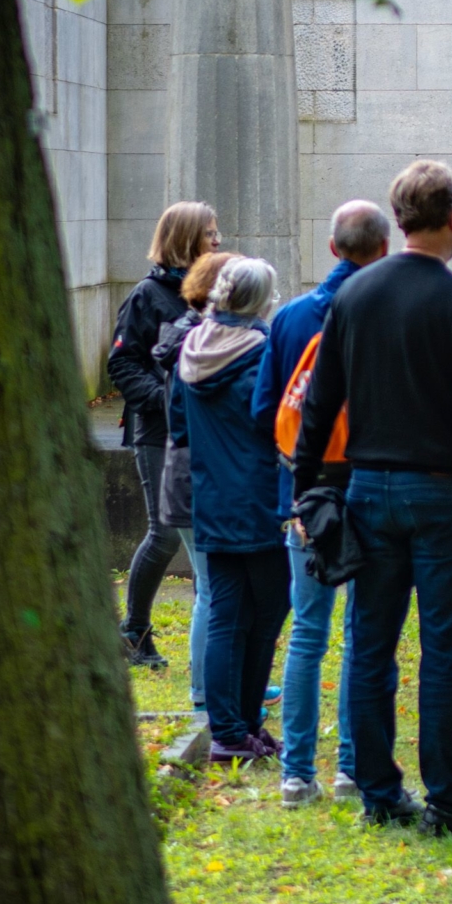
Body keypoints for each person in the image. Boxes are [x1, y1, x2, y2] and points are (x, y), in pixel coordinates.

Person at [293, 159, 452, 841]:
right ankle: (447, 800)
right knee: (444, 652)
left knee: (369, 645)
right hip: (443, 492)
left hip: (368, 486)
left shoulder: (353, 297)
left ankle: (380, 793)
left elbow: (319, 404)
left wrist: (308, 491)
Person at [252, 200, 390, 807]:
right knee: (363, 634)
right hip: (370, 491)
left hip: (306, 497)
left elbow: (265, 413)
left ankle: (296, 773)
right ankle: (351, 768)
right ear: (382, 249)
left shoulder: (290, 318)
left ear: (333, 248)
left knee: (308, 632)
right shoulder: (387, 313)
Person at [170, 256, 287, 766]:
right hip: (258, 499)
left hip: (212, 498)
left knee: (225, 614)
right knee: (267, 613)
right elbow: (276, 425)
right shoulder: (262, 354)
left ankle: (229, 730)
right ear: (262, 302)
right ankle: (242, 723)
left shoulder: (190, 350)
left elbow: (178, 426)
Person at [108, 200, 219, 667]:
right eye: (210, 233)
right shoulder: (146, 296)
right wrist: (167, 398)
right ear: (186, 239)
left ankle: (207, 622)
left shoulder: (210, 293)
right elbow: (122, 364)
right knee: (165, 532)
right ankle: (132, 631)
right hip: (157, 432)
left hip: (204, 433)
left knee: (198, 531)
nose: (217, 240)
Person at [154, 246, 234, 725]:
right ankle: (204, 690)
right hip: (196, 479)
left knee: (214, 588)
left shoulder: (191, 339)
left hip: (190, 476)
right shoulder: (201, 345)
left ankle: (216, 682)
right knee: (210, 589)